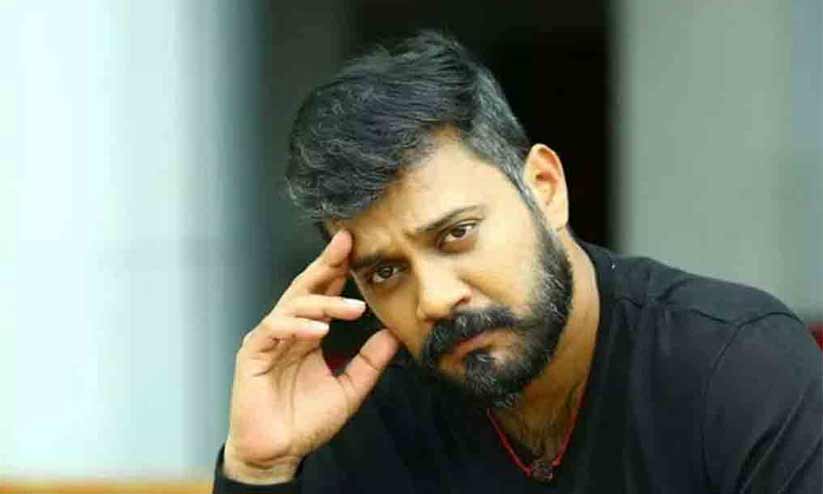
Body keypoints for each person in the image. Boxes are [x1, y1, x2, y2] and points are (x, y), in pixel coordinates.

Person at [212, 31, 822, 493]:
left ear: (545, 189)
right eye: (385, 273)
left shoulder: (734, 367)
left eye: (456, 234)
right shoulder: (379, 419)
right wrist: (259, 470)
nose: (434, 299)